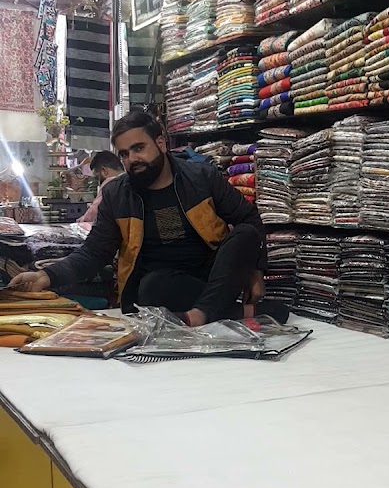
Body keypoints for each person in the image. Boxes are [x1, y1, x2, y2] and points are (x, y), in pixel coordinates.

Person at [10, 111, 278, 327]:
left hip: (211, 278)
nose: (132, 159)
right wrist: (45, 276)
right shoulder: (116, 194)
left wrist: (256, 272)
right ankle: (232, 312)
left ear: (161, 143)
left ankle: (201, 315)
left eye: (138, 148)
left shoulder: (201, 178)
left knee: (246, 233)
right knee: (152, 287)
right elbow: (94, 252)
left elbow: (249, 218)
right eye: (124, 154)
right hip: (161, 288)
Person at [78, 151, 124, 224]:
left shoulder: (110, 184)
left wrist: (81, 221)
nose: (98, 183)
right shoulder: (130, 181)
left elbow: (92, 214)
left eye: (97, 178)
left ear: (104, 171)